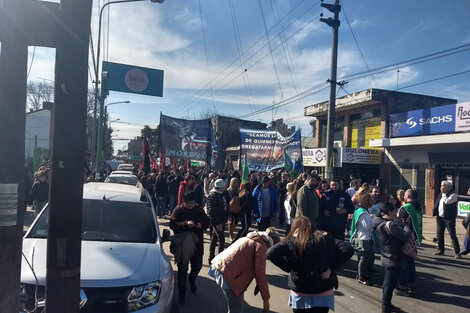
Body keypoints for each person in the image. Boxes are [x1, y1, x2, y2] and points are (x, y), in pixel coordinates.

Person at [267, 216, 354, 313]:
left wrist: (288, 268)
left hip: (300, 289)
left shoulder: (291, 241)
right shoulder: (325, 238)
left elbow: (270, 253)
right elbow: (348, 249)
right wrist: (331, 268)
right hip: (323, 289)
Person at [209, 227, 280, 313]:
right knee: (236, 308)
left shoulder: (253, 238)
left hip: (221, 266)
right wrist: (266, 299)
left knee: (236, 304)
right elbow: (260, 275)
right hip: (228, 274)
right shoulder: (261, 247)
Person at [170, 191, 210, 304]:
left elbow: (207, 221)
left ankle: (192, 280)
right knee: (183, 269)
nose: (191, 205)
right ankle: (182, 293)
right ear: (184, 202)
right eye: (188, 203)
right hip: (183, 245)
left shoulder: (199, 209)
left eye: (192, 203)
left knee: (197, 266)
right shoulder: (178, 210)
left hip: (197, 244)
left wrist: (200, 225)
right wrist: (185, 224)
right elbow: (172, 225)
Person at [372, 202, 409, 313]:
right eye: (394, 211)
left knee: (387, 281)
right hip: (393, 255)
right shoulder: (390, 225)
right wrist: (406, 226)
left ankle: (387, 304)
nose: (396, 213)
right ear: (389, 212)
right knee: (390, 282)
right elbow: (404, 236)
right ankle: (386, 305)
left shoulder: (377, 221)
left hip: (385, 254)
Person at [395, 189, 422, 296]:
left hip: (406, 238)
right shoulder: (418, 207)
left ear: (408, 195)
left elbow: (398, 222)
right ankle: (412, 285)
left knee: (404, 263)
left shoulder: (406, 208)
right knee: (410, 262)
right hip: (414, 237)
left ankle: (402, 287)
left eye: (405, 195)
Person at [350, 192, 376, 285]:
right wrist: (374, 220)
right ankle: (361, 276)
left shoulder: (360, 210)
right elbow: (367, 226)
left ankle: (362, 274)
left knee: (363, 257)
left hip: (361, 236)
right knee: (364, 258)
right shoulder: (363, 212)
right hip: (363, 237)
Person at [432, 181, 461, 258]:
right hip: (440, 217)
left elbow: (447, 202)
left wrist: (444, 194)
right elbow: (437, 203)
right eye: (441, 185)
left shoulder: (453, 195)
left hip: (449, 218)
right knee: (439, 234)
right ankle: (441, 250)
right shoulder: (441, 194)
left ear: (448, 187)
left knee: (452, 235)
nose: (441, 187)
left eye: (443, 186)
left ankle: (457, 252)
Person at [207, 178, 228, 263]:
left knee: (214, 238)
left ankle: (211, 256)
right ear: (220, 187)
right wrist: (218, 223)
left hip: (221, 220)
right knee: (221, 240)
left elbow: (225, 206)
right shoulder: (212, 196)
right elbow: (211, 212)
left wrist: (228, 216)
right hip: (216, 221)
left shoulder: (221, 194)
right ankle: (219, 259)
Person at [227, 177, 241, 242]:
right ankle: (231, 235)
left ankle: (232, 231)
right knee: (230, 222)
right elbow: (227, 199)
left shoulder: (239, 190)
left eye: (237, 182)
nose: (236, 183)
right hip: (230, 208)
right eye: (235, 182)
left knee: (236, 221)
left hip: (237, 208)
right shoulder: (228, 190)